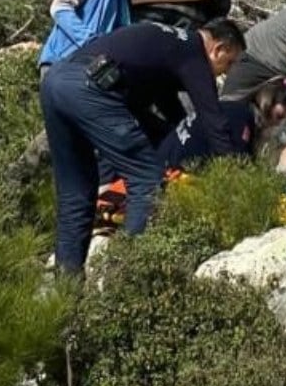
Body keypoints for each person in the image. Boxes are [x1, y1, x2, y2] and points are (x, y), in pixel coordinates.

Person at [40, 19, 245, 273]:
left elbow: (168, 110)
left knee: (77, 193)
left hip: (56, 81)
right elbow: (214, 120)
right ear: (219, 49)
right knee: (147, 179)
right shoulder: (194, 53)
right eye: (229, 63)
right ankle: (124, 278)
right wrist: (236, 173)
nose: (225, 73)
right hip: (90, 89)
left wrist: (176, 141)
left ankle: (67, 287)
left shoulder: (171, 41)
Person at [161, 81, 286, 170]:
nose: (277, 123)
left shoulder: (235, 109)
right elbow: (239, 165)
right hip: (173, 167)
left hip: (167, 154)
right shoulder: (241, 120)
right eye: (278, 117)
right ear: (266, 105)